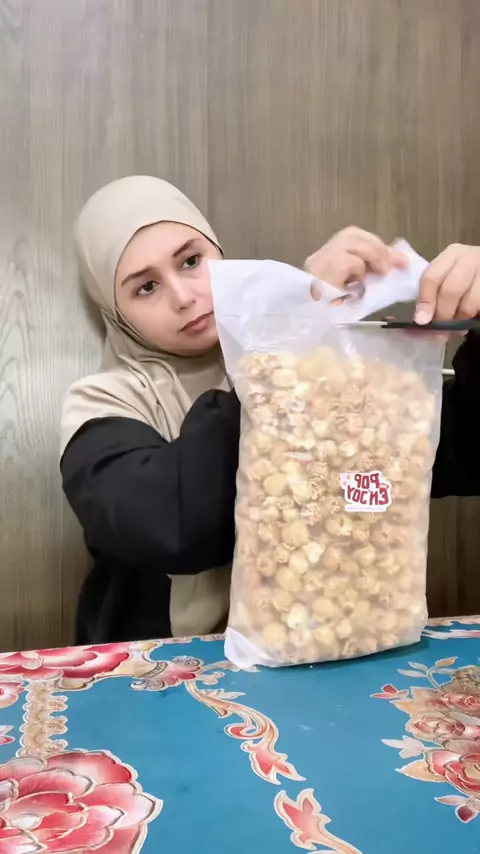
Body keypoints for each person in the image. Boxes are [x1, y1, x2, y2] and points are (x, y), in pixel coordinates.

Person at [61, 175, 480, 644]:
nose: (183, 296)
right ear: (114, 312)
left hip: (342, 643)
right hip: (180, 666)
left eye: (191, 261)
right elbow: (173, 527)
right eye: (146, 287)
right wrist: (293, 337)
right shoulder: (102, 403)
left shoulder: (339, 368)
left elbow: (463, 452)